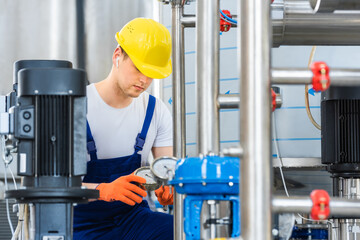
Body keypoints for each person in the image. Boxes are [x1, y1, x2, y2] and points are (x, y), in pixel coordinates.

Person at [73, 18, 174, 240]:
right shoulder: (76, 108)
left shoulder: (156, 111)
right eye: (139, 69)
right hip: (80, 225)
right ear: (117, 55)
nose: (144, 80)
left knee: (180, 232)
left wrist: (168, 188)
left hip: (133, 220)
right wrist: (103, 190)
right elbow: (54, 188)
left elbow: (166, 170)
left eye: (152, 73)